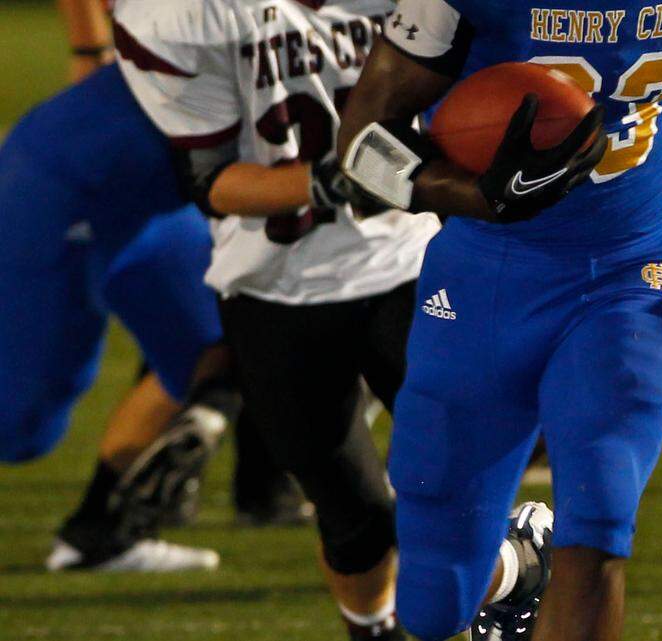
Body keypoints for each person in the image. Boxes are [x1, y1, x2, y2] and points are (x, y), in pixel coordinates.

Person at [336, 0, 662, 638]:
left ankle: (558, 558)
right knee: (432, 603)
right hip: (483, 278)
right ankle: (521, 568)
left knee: (600, 522)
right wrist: (470, 194)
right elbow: (361, 142)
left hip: (629, 277)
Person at [113, 1, 550, 638]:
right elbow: (210, 182)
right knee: (356, 520)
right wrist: (330, 181)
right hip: (272, 284)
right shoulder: (180, 14)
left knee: (452, 485)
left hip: (408, 263)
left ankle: (514, 569)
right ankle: (379, 626)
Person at [0, 1, 241, 571]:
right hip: (65, 183)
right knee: (20, 426)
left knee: (220, 343)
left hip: (152, 200)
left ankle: (97, 535)